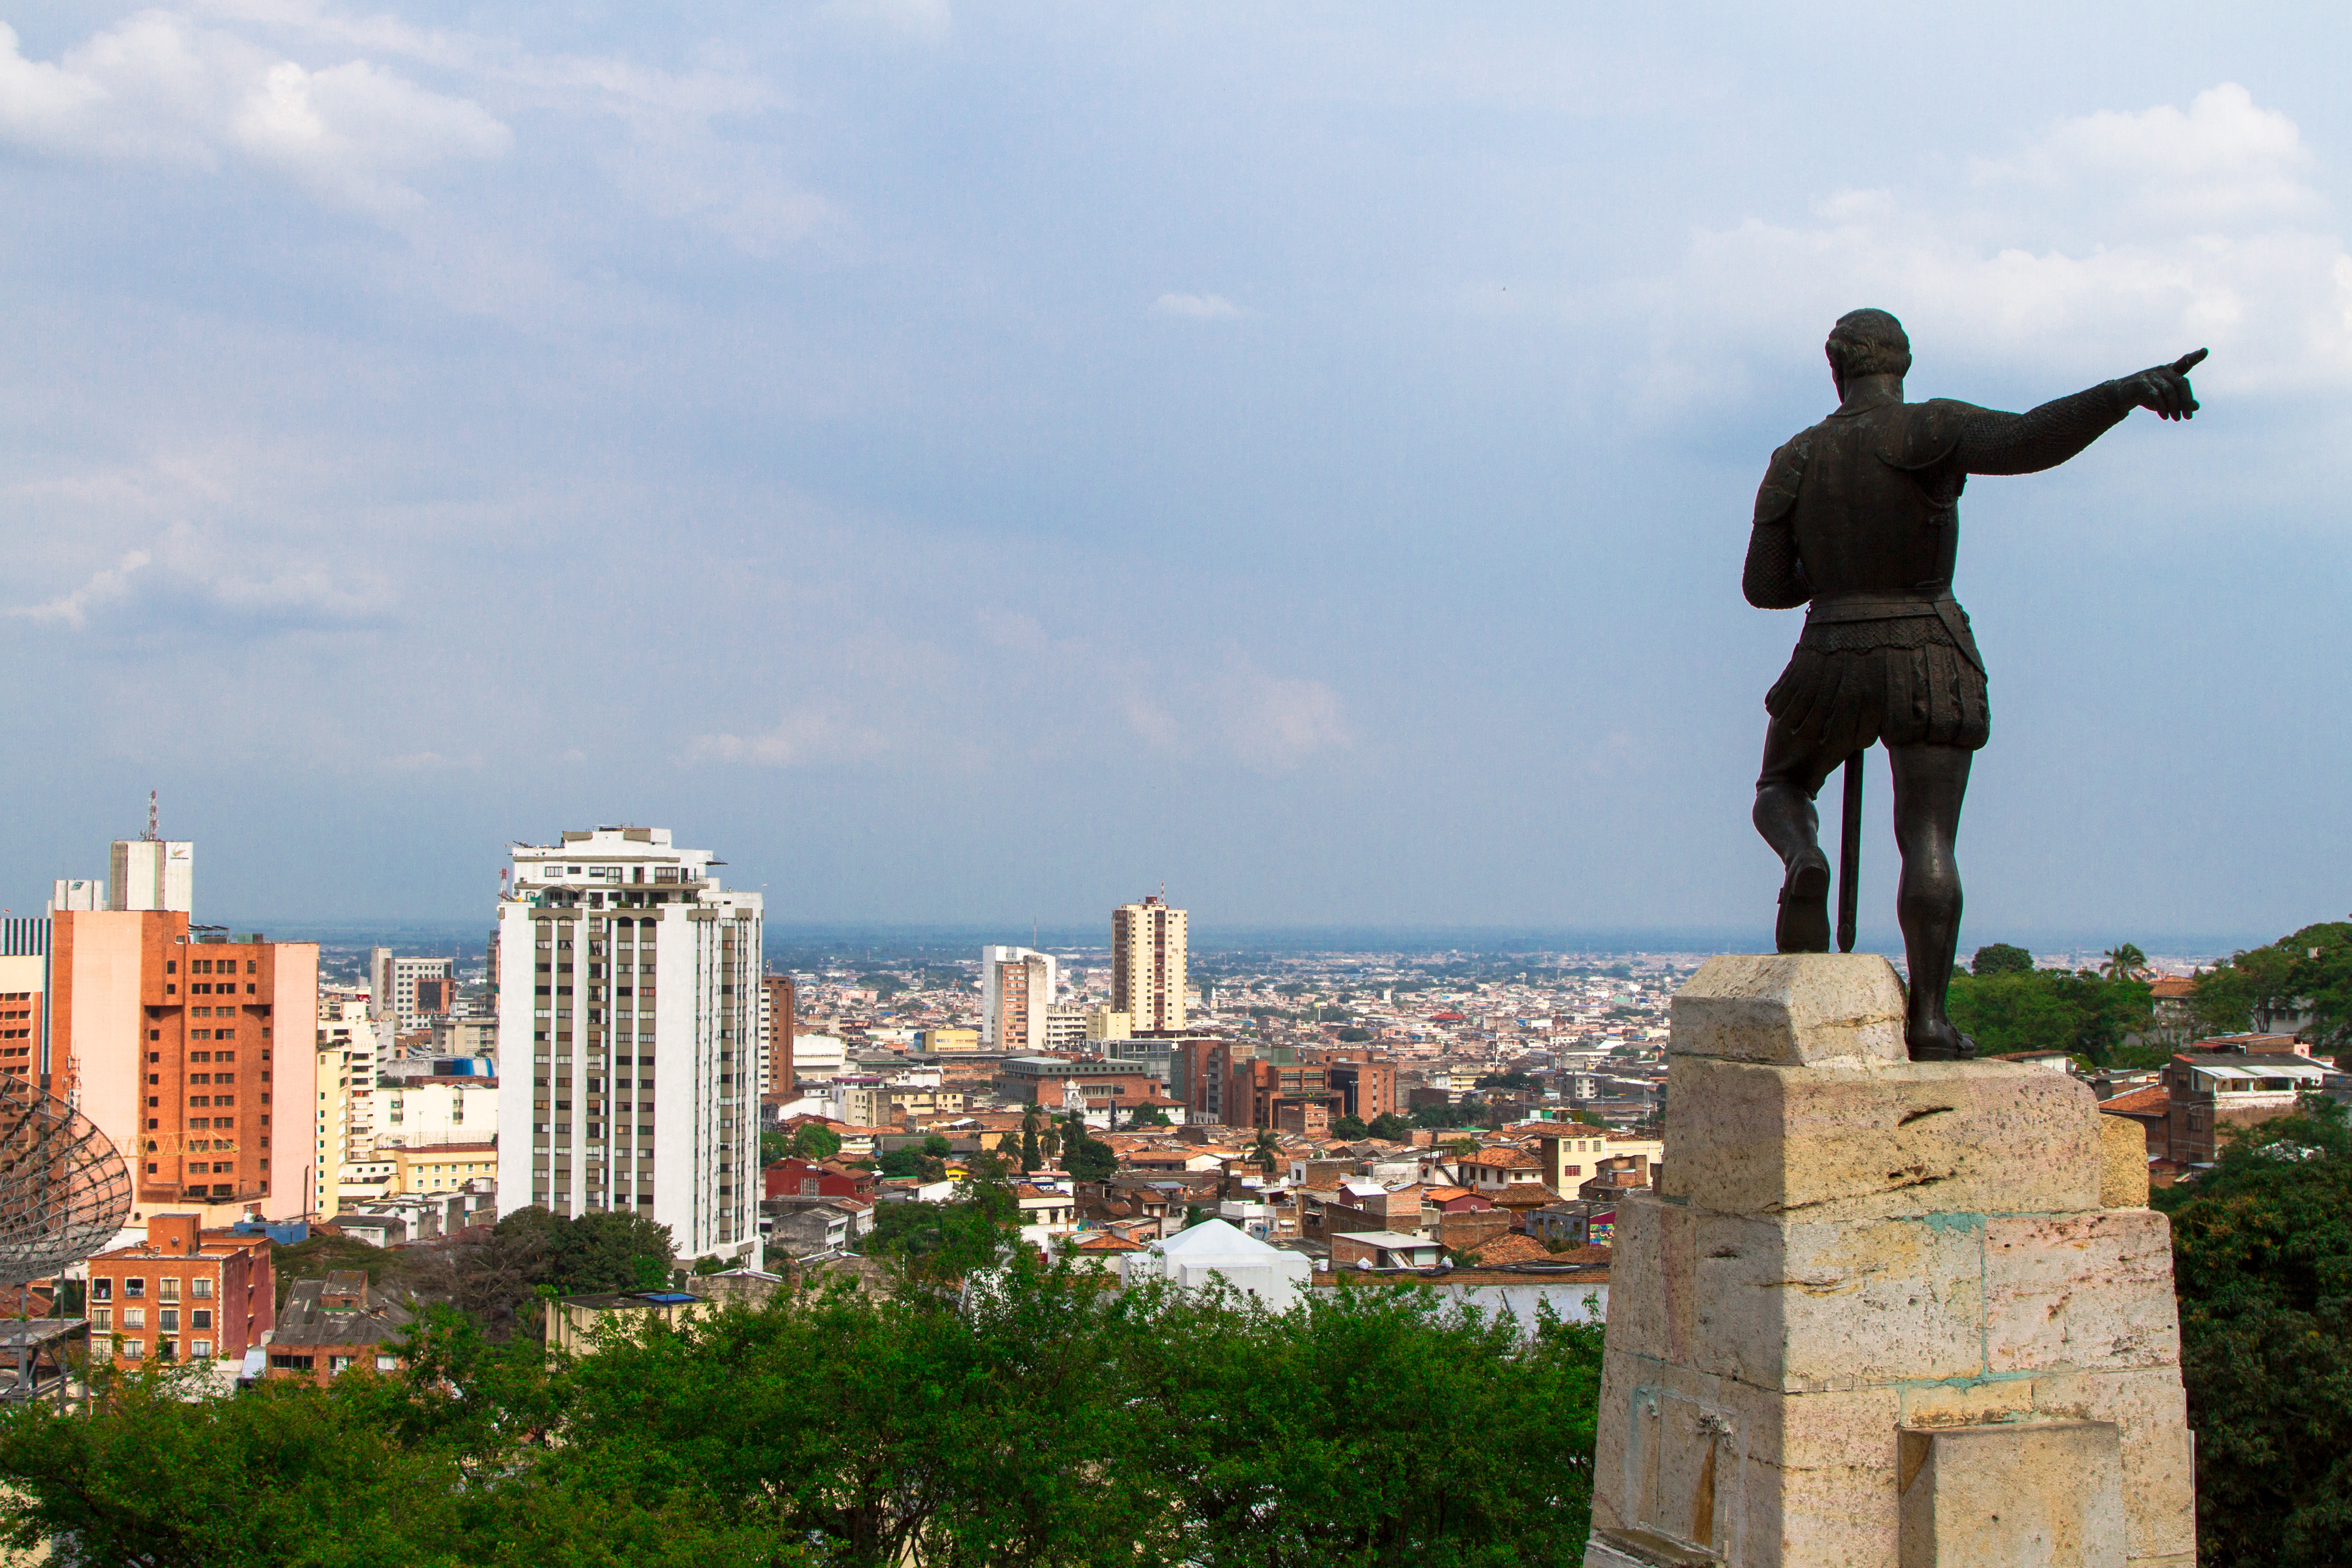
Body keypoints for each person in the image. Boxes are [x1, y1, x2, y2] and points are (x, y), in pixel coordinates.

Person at [1744, 310, 2202, 1059]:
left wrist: (1832, 573)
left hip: (1830, 650)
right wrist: (2121, 393)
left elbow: (1764, 586)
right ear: (1903, 363)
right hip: (1928, 644)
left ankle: (1803, 857)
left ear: (1835, 368)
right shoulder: (1926, 429)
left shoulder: (1795, 455)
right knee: (1927, 834)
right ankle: (1927, 1018)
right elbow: (2029, 440)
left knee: (1782, 785)